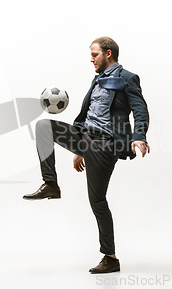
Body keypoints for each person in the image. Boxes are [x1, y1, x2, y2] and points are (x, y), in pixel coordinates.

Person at [23, 36, 150, 274]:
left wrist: (139, 136)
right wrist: (78, 149)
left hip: (104, 145)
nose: (91, 59)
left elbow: (140, 110)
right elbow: (90, 114)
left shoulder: (127, 78)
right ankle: (51, 184)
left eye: (94, 54)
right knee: (44, 127)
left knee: (97, 202)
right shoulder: (97, 80)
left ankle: (110, 258)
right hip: (85, 139)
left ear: (108, 53)